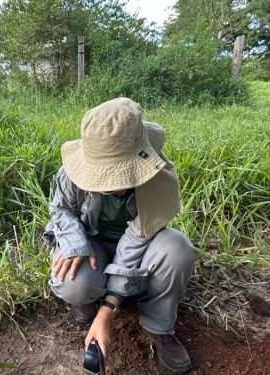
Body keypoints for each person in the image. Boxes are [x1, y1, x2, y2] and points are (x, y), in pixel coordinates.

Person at [43, 97, 197, 373]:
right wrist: (76, 243)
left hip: (144, 244)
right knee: (73, 281)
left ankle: (159, 327)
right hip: (93, 241)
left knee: (177, 250)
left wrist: (108, 310)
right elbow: (60, 209)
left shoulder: (159, 177)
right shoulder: (70, 174)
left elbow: (136, 240)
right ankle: (86, 299)